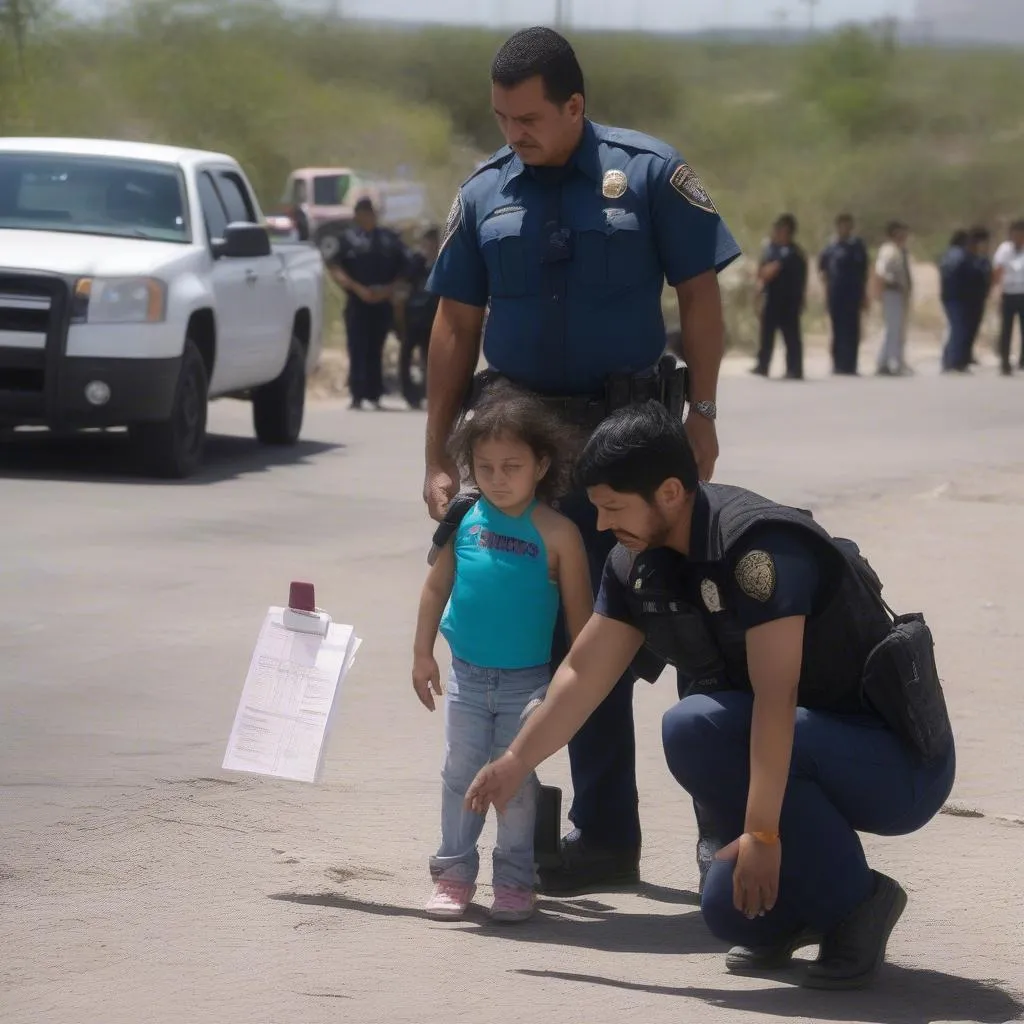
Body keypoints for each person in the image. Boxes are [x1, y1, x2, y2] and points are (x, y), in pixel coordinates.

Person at [465, 401, 956, 990]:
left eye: (613, 507)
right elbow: (583, 674)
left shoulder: (758, 548)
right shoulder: (635, 562)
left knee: (694, 726)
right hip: (795, 751)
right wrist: (517, 760)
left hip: (893, 764)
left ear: (670, 492)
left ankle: (859, 903)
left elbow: (776, 698)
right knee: (732, 912)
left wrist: (764, 836)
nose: (600, 526)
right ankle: (812, 903)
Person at [421, 25, 741, 897]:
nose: (512, 132)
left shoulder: (647, 173)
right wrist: (436, 454)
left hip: (625, 438)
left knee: (662, 624)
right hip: (520, 448)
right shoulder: (486, 191)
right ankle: (584, 831)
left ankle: (717, 826)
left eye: (528, 117)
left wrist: (703, 413)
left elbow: (702, 293)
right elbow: (453, 324)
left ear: (574, 105)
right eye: (500, 117)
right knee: (549, 635)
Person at [412, 381, 593, 922]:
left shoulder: (560, 534)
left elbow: (584, 623)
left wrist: (569, 692)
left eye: (511, 466)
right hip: (466, 677)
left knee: (514, 783)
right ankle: (453, 873)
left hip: (527, 683)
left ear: (541, 465)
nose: (497, 479)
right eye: (484, 467)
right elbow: (433, 589)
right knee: (458, 773)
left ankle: (515, 880)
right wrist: (423, 654)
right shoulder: (464, 520)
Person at [327, 198, 410, 410]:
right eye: (363, 212)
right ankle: (356, 395)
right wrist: (357, 289)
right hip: (357, 301)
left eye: (370, 212)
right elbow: (335, 268)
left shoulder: (389, 239)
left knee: (376, 347)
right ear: (356, 215)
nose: (367, 216)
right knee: (356, 347)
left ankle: (374, 395)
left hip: (382, 301)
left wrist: (388, 289)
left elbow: (407, 267)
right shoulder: (347, 239)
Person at [753, 214, 807, 380]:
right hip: (772, 298)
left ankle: (795, 369)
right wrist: (757, 295)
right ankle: (762, 366)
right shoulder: (771, 250)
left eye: (780, 229)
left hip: (789, 301)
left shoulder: (794, 253)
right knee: (766, 334)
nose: (776, 232)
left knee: (791, 337)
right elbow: (762, 273)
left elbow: (799, 278)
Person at [818, 213, 869, 375]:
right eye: (842, 225)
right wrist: (826, 291)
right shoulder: (831, 247)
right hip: (836, 294)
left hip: (854, 293)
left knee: (853, 330)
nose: (845, 229)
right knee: (837, 329)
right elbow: (823, 270)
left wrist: (864, 294)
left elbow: (864, 271)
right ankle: (838, 364)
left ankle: (851, 365)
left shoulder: (857, 246)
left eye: (848, 226)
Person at [399, 225, 441, 409]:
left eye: (433, 241)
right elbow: (403, 288)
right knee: (405, 357)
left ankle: (429, 392)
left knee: (431, 360)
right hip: (413, 319)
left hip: (434, 319)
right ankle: (410, 394)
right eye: (426, 241)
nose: (429, 245)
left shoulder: (443, 263)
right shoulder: (416, 263)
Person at [872, 221, 913, 376]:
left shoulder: (901, 251)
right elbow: (880, 272)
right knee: (892, 328)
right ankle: (887, 362)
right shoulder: (888, 251)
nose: (903, 236)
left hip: (901, 294)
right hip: (891, 293)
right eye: (899, 233)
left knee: (898, 329)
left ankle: (892, 360)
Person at [993, 219, 1024, 376]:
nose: (1018, 238)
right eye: (1016, 235)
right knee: (1006, 329)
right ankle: (1005, 361)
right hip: (1009, 293)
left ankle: (1022, 360)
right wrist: (996, 290)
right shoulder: (1004, 250)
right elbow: (998, 270)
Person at [939, 229, 972, 373]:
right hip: (958, 297)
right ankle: (953, 362)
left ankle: (948, 360)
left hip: (948, 295)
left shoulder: (947, 254)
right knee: (958, 329)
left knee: (954, 328)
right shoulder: (961, 255)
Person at [963, 226, 993, 367]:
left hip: (979, 297)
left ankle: (968, 353)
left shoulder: (983, 258)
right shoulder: (969, 257)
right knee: (966, 326)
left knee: (974, 326)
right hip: (969, 297)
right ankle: (963, 354)